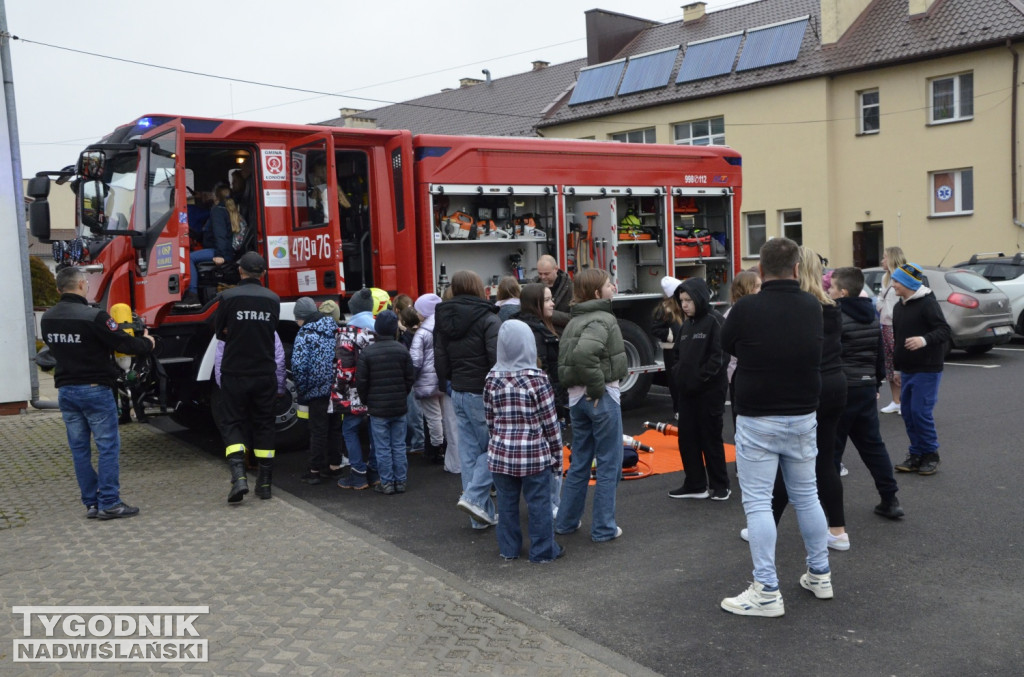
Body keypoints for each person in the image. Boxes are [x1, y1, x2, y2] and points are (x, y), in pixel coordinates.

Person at [720, 237, 831, 617]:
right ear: (797, 269)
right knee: (808, 496)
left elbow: (727, 343)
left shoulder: (747, 307)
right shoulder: (812, 306)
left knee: (758, 503)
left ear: (760, 271)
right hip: (803, 413)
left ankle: (766, 590)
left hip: (758, 416)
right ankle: (820, 574)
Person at [41, 267, 155, 520]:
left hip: (67, 392)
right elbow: (125, 344)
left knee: (79, 449)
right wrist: (148, 342)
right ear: (82, 285)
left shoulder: (47, 318)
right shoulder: (95, 317)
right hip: (95, 391)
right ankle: (110, 503)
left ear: (60, 289)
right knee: (107, 448)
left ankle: (92, 503)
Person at [760, 248, 847, 550]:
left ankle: (766, 524)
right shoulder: (831, 306)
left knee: (793, 461)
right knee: (825, 461)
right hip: (836, 384)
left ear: (797, 270)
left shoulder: (803, 308)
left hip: (812, 389)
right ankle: (837, 531)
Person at [554, 268, 628, 543]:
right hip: (601, 397)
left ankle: (566, 522)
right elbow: (585, 353)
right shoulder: (602, 318)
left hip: (576, 400)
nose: (613, 288)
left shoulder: (575, 320)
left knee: (580, 462)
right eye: (609, 285)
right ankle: (603, 528)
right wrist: (597, 387)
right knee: (610, 464)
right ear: (597, 293)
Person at [485, 320, 565, 563]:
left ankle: (508, 549)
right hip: (533, 455)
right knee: (538, 504)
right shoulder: (537, 379)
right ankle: (542, 551)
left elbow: (489, 418)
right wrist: (557, 456)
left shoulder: (491, 378)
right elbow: (550, 423)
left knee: (507, 505)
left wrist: (498, 440)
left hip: (500, 454)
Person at [829, 267, 904, 519]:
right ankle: (890, 498)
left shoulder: (836, 315)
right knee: (873, 446)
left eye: (831, 287)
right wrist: (874, 384)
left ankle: (827, 508)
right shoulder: (872, 314)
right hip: (865, 387)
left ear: (843, 291)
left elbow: (832, 354)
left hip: (842, 388)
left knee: (832, 450)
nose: (828, 291)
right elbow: (880, 354)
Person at [434, 270, 503, 529]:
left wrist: (448, 384)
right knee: (495, 449)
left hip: (459, 391)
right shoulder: (488, 318)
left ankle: (479, 517)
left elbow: (440, 357)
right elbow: (496, 359)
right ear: (477, 287)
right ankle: (474, 498)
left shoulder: (443, 318)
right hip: (483, 392)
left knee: (469, 454)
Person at [212, 252, 281, 503]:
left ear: (240, 271)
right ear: (262, 273)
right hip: (264, 372)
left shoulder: (227, 297)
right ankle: (264, 483)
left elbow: (220, 333)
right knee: (264, 424)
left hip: (235, 372)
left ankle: (239, 477)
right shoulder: (273, 299)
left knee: (232, 422)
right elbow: (270, 331)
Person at [667, 277, 731, 501]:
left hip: (709, 393)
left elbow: (719, 358)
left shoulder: (715, 322)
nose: (684, 305)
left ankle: (720, 486)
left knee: (710, 438)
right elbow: (677, 355)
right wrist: (679, 375)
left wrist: (698, 379)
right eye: (682, 300)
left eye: (689, 300)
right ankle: (695, 484)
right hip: (687, 393)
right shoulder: (686, 325)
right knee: (687, 439)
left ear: (700, 298)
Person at [889, 262, 951, 476]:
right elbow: (897, 341)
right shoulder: (899, 307)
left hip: (927, 368)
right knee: (907, 412)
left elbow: (944, 330)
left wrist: (924, 340)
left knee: (920, 412)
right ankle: (916, 454)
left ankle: (931, 455)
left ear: (907, 282)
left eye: (896, 280)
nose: (893, 284)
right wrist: (896, 369)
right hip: (906, 369)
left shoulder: (927, 303)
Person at [514, 282, 565, 517]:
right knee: (552, 456)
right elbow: (542, 373)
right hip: (543, 405)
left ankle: (550, 503)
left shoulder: (530, 327)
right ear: (535, 303)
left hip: (540, 402)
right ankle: (552, 505)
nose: (552, 303)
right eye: (547, 300)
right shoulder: (535, 333)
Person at [333, 288, 390, 490]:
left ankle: (357, 474)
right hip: (377, 391)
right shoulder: (380, 330)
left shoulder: (347, 333)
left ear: (353, 309)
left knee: (349, 429)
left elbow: (345, 370)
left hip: (354, 392)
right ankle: (374, 472)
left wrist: (339, 389)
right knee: (375, 430)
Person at [357, 310, 415, 495]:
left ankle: (387, 482)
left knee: (382, 447)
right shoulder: (402, 350)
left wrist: (367, 400)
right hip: (399, 405)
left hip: (378, 408)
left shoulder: (367, 353)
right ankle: (401, 481)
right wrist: (402, 394)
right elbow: (409, 378)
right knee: (398, 445)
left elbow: (362, 382)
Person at [291, 297, 344, 485]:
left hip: (316, 389)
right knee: (335, 427)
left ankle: (315, 470)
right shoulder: (333, 328)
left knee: (318, 430)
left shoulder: (305, 334)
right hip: (336, 387)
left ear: (302, 317)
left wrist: (303, 388)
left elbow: (298, 365)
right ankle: (334, 466)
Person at [182, 183, 245, 307]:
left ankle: (192, 296)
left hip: (221, 251)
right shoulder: (228, 209)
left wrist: (221, 256)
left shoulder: (217, 211)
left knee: (188, 258)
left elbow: (220, 234)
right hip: (225, 250)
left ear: (216, 197)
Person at [410, 293, 446, 464]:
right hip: (443, 377)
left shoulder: (422, 332)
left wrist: (411, 378)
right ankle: (446, 445)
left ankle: (437, 448)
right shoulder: (445, 326)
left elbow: (415, 361)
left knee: (432, 417)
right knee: (444, 415)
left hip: (426, 380)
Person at [724, 270, 762, 431]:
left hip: (746, 373)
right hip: (740, 373)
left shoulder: (754, 311)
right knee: (743, 422)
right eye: (758, 287)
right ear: (748, 289)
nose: (762, 290)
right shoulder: (734, 315)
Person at [877, 246, 907, 414]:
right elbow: (881, 297)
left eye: (884, 257)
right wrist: (882, 308)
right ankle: (896, 401)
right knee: (890, 362)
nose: (882, 261)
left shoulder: (903, 277)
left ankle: (904, 400)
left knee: (900, 360)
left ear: (892, 259)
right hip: (886, 323)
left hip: (898, 324)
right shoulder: (885, 277)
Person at [652, 276, 685, 415]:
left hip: (683, 348)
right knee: (674, 380)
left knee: (684, 379)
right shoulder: (665, 309)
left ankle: (684, 408)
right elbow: (655, 328)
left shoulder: (682, 305)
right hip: (671, 350)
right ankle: (678, 409)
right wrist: (669, 335)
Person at [398, 304, 425, 454]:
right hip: (425, 376)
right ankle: (420, 440)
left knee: (414, 414)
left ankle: (418, 442)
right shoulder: (424, 333)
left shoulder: (405, 339)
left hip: (412, 378)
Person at [535, 254, 572, 333]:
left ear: (556, 269)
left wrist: (547, 313)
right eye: (540, 274)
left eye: (546, 274)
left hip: (561, 335)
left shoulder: (571, 288)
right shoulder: (533, 286)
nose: (543, 277)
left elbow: (574, 318)